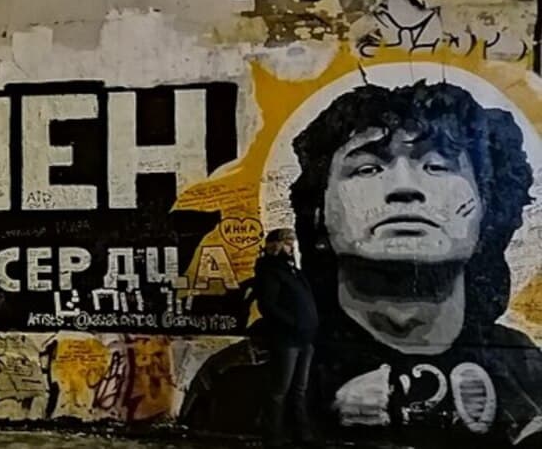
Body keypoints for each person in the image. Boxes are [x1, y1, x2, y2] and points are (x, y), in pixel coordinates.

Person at [181, 80, 542, 447]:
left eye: (436, 166)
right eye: (368, 169)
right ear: (319, 213)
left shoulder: (526, 371)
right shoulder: (240, 378)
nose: (404, 187)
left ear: (487, 209)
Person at [255, 228, 319, 448]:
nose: (291, 246)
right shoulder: (270, 270)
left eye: (292, 242)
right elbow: (268, 305)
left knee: (299, 389)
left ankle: (302, 434)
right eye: (286, 242)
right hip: (286, 339)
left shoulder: (293, 270)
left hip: (304, 338)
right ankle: (272, 436)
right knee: (279, 390)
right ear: (275, 245)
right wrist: (294, 323)